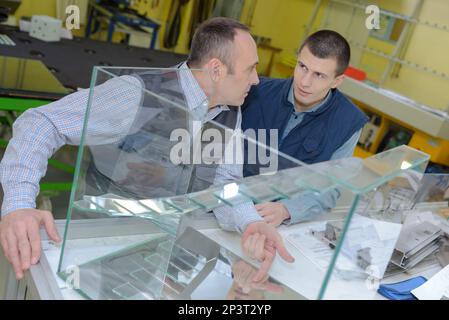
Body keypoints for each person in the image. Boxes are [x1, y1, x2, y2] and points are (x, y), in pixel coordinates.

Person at [0, 17, 293, 280]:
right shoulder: (137, 94)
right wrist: (19, 204)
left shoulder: (230, 111)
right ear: (216, 70)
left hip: (166, 254)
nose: (256, 80)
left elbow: (224, 183)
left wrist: (250, 222)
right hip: (101, 250)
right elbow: (41, 124)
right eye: (250, 69)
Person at [241, 30, 369, 227]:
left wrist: (287, 210)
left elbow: (330, 189)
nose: (305, 81)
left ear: (337, 81)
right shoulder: (258, 91)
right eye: (302, 66)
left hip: (284, 224)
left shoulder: (348, 123)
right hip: (231, 206)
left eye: (319, 75)